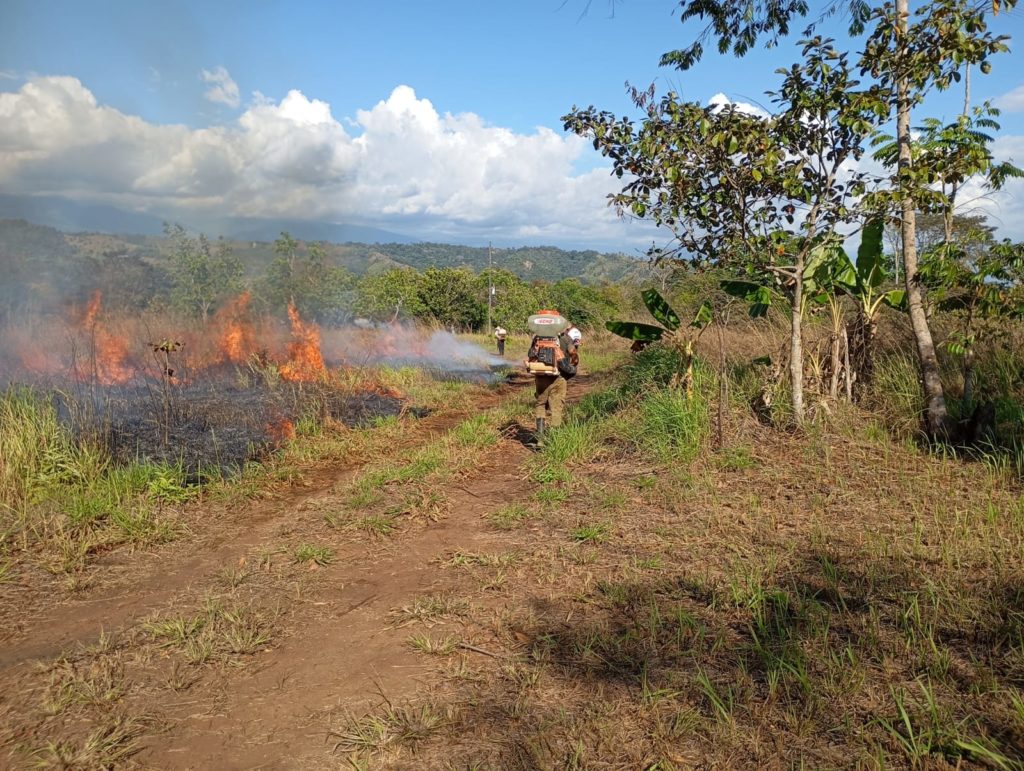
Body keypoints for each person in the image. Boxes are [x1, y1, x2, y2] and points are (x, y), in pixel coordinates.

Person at [529, 328, 578, 438]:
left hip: (541, 378)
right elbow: (573, 354)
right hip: (558, 378)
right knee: (556, 407)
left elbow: (531, 356)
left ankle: (540, 438)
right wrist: (573, 365)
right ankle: (555, 438)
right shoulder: (565, 338)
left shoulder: (537, 338)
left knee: (540, 404)